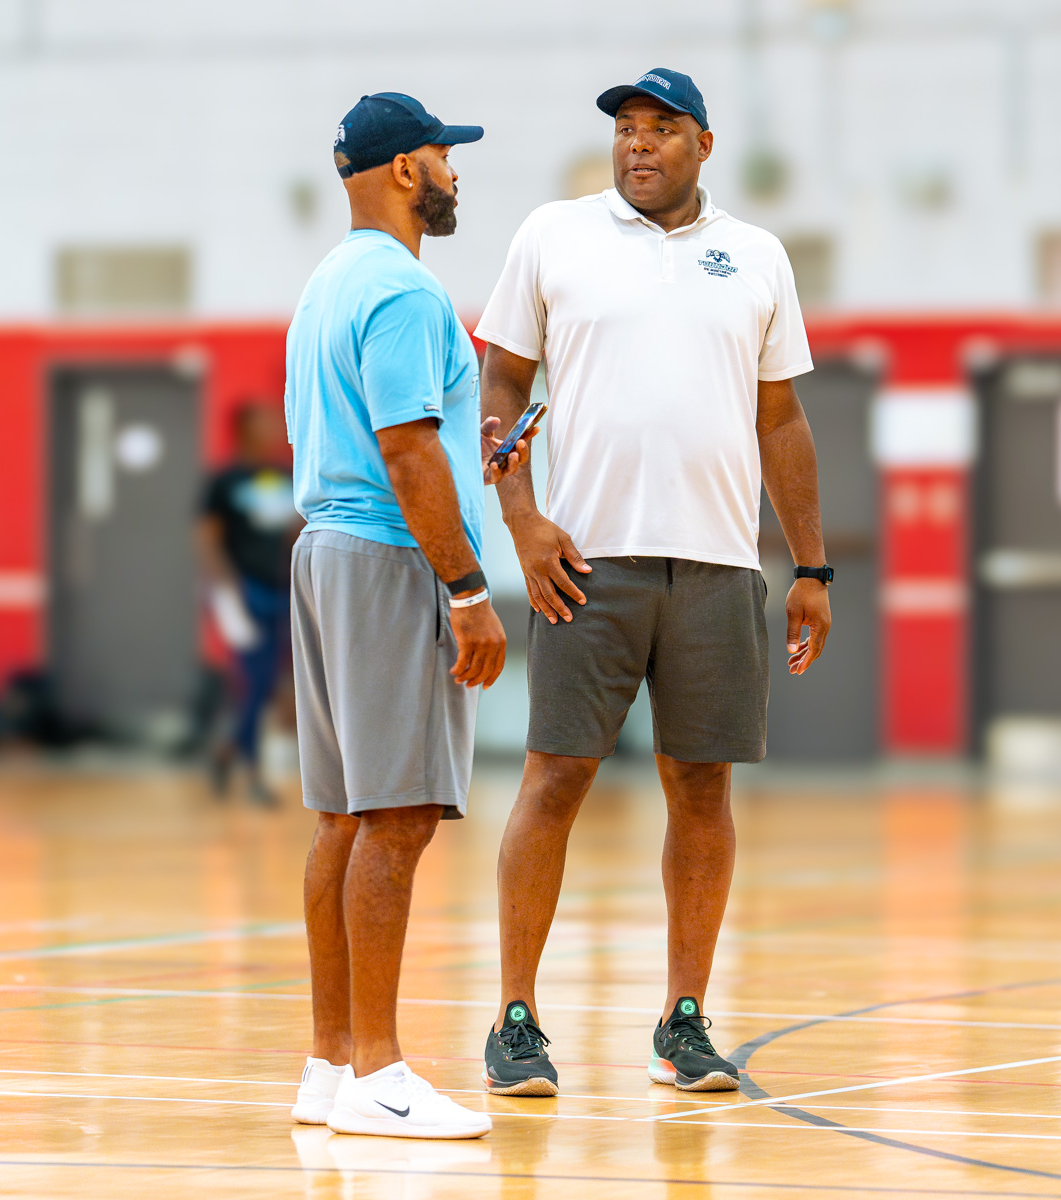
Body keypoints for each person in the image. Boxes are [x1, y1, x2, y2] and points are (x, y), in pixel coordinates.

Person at [474, 68, 831, 1097]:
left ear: (704, 146)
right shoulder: (554, 236)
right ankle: (514, 1018)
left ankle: (683, 1018)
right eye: (627, 128)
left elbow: (782, 420)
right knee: (555, 780)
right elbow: (503, 381)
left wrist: (810, 565)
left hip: (720, 564)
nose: (639, 144)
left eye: (661, 128)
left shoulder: (756, 257)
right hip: (588, 562)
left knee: (703, 790)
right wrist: (522, 519)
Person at [282, 92, 531, 1140]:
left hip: (326, 556)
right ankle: (380, 1071)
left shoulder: (326, 284)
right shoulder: (405, 293)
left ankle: (331, 1065)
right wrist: (469, 589)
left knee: (346, 817)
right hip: (388, 561)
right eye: (442, 154)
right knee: (400, 815)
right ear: (399, 170)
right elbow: (406, 448)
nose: (455, 171)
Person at [197, 401, 302, 807]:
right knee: (255, 682)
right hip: (245, 591)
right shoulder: (224, 482)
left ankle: (225, 752)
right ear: (243, 429)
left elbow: (297, 530)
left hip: (284, 590)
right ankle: (254, 773)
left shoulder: (284, 477)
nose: (272, 428)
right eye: (263, 422)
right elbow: (207, 540)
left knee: (273, 683)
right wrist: (225, 594)